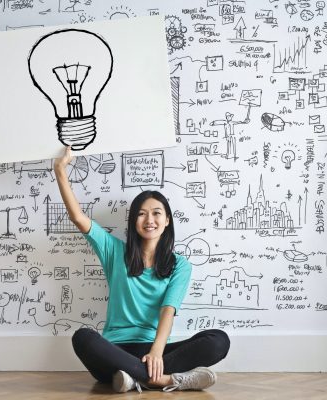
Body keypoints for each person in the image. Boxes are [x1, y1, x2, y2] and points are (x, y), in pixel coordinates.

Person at [54, 147, 230, 393]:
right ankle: (165, 381)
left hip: (157, 351)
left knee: (218, 340)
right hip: (115, 351)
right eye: (142, 214)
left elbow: (168, 310)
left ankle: (133, 378)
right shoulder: (114, 251)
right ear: (133, 222)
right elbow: (78, 218)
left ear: (167, 220)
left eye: (157, 213)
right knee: (83, 338)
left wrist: (157, 351)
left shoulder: (180, 265)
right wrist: (59, 169)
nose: (150, 220)